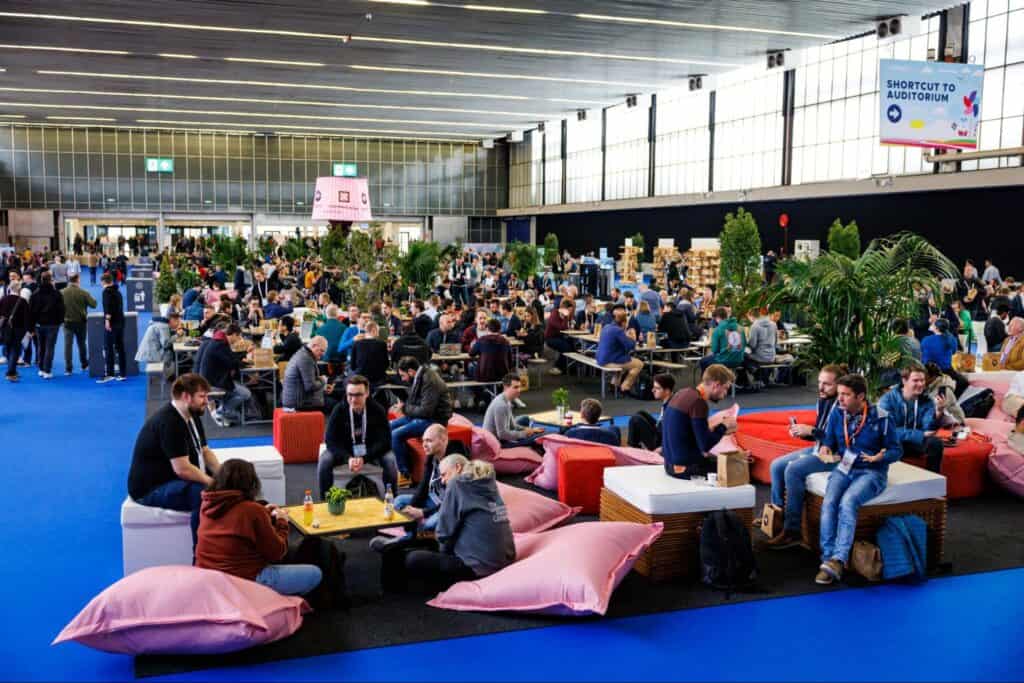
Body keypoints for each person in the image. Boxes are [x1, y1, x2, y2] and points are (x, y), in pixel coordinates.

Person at [814, 374, 902, 585]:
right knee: (829, 502)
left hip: (872, 472)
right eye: (840, 394)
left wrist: (882, 456)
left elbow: (896, 450)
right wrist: (826, 446)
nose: (840, 399)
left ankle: (838, 559)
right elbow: (829, 439)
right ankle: (827, 559)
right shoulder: (838, 412)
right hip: (844, 468)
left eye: (845, 395)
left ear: (861, 396)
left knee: (848, 502)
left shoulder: (882, 417)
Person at [196, 459, 321, 596]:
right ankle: (268, 601)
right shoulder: (252, 510)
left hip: (208, 578)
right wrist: (282, 521)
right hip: (244, 580)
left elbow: (234, 522)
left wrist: (264, 513)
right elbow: (278, 552)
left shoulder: (207, 504)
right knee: (314, 573)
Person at [127, 373, 222, 549]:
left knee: (235, 476)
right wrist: (214, 483)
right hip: (150, 488)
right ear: (186, 396)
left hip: (174, 475)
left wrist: (223, 475)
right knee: (203, 495)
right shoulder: (170, 422)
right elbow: (182, 470)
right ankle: (201, 553)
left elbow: (205, 452)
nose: (206, 401)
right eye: (202, 396)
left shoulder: (192, 415)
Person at [393, 456, 515, 592]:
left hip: (478, 568)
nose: (443, 481)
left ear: (457, 468)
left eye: (444, 475)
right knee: (429, 540)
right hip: (505, 560)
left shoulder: (457, 484)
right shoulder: (488, 485)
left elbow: (443, 533)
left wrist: (441, 553)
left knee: (413, 558)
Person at [765, 365, 843, 549]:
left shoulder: (843, 404)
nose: (821, 388)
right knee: (776, 465)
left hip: (836, 455)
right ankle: (777, 516)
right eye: (819, 383)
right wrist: (804, 433)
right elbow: (822, 434)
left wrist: (813, 431)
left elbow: (841, 441)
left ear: (839, 385)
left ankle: (792, 531)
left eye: (827, 384)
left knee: (793, 470)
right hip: (820, 448)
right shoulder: (824, 400)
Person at [320, 374, 397, 498]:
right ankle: (324, 501)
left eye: (358, 395)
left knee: (390, 460)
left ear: (367, 393)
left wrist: (365, 458)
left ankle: (393, 499)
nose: (353, 399)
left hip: (371, 451)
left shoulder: (377, 410)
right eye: (350, 395)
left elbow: (385, 441)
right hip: (346, 451)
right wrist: (348, 458)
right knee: (325, 461)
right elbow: (331, 441)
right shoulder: (339, 410)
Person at [662, 364, 737, 479]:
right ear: (716, 385)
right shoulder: (698, 402)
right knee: (737, 465)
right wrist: (724, 426)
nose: (725, 393)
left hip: (669, 464)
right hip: (686, 468)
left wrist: (714, 429)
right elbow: (705, 445)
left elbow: (687, 431)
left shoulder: (682, 393)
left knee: (718, 458)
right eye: (726, 388)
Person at [390, 357, 453, 485]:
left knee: (395, 435)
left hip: (435, 420)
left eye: (403, 376)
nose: (402, 379)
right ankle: (396, 463)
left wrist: (405, 408)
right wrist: (404, 405)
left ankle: (404, 473)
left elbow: (426, 411)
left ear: (411, 372)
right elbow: (415, 403)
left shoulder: (429, 380)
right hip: (422, 416)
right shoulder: (420, 376)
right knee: (388, 427)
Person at [878, 363, 943, 473]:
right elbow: (888, 431)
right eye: (916, 380)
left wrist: (938, 413)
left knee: (935, 443)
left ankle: (933, 480)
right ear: (904, 381)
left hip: (913, 441)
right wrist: (920, 434)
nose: (921, 384)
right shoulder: (887, 400)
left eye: (922, 380)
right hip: (893, 441)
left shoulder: (927, 401)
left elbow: (928, 429)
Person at [198, 323, 252, 427]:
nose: (238, 340)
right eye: (238, 337)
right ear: (234, 335)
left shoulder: (219, 341)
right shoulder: (220, 345)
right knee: (246, 394)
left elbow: (230, 358)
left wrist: (244, 354)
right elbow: (230, 363)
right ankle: (223, 410)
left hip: (212, 379)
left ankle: (226, 411)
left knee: (240, 389)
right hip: (213, 383)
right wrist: (246, 362)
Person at [482, 373, 545, 448]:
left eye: (519, 387)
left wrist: (530, 430)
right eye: (515, 387)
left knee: (525, 418)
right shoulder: (501, 405)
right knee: (539, 437)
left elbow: (512, 425)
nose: (519, 390)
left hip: (501, 435)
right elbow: (502, 435)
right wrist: (524, 433)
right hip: (496, 443)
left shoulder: (506, 399)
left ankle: (525, 441)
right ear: (505, 387)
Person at [596, 308, 643, 393]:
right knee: (639, 364)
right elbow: (630, 346)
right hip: (609, 361)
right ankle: (625, 387)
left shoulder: (607, 326)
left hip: (600, 358)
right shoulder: (618, 330)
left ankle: (614, 385)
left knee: (624, 364)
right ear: (624, 322)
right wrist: (633, 338)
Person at [29, 271, 64, 379]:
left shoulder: (35, 294)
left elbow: (31, 312)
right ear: (50, 280)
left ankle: (41, 368)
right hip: (53, 325)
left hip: (39, 325)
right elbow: (61, 309)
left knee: (41, 346)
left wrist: (31, 326)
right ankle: (47, 370)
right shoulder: (57, 293)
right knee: (49, 347)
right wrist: (60, 321)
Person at [627, 373, 676, 450]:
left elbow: (674, 433)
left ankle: (632, 449)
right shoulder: (670, 399)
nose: (653, 390)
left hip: (661, 443)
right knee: (641, 413)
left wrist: (662, 448)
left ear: (667, 391)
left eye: (657, 388)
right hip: (660, 431)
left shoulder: (672, 409)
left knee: (635, 420)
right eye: (654, 387)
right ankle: (635, 447)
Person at [60, 273, 96, 376]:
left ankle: (68, 369)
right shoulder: (83, 292)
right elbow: (94, 304)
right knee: (82, 344)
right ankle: (84, 364)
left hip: (67, 322)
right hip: (81, 322)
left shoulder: (61, 292)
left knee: (68, 346)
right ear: (78, 280)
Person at [282, 335, 329, 413]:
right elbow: (310, 386)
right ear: (314, 346)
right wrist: (323, 380)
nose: (323, 354)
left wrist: (322, 386)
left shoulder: (303, 354)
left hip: (294, 400)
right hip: (298, 404)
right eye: (322, 350)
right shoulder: (306, 359)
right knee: (335, 405)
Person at [98, 272, 127, 383]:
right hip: (120, 322)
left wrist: (107, 321)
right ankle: (123, 373)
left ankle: (109, 373)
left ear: (103, 282)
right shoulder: (118, 291)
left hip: (112, 323)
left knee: (108, 348)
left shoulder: (106, 292)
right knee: (120, 348)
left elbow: (108, 307)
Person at [0, 279, 31, 382]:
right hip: (19, 329)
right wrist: (28, 331)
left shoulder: (3, 299)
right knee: (15, 349)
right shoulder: (22, 301)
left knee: (8, 348)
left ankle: (11, 368)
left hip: (5, 328)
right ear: (19, 289)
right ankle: (11, 372)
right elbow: (27, 318)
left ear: (10, 288)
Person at [136, 312, 181, 378]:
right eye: (178, 322)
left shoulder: (160, 324)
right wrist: (177, 335)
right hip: (152, 354)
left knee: (173, 352)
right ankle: (172, 375)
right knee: (172, 353)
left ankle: (173, 373)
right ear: (172, 320)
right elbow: (166, 344)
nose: (178, 324)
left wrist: (174, 333)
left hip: (149, 351)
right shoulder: (164, 326)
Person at [469, 318, 512, 383]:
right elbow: (510, 360)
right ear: (499, 329)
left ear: (487, 329)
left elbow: (471, 353)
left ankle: (479, 392)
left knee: (471, 366)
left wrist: (473, 345)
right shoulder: (505, 341)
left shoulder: (482, 340)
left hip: (484, 376)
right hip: (503, 375)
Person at [350, 320, 390, 386]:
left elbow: (352, 366)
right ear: (373, 330)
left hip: (360, 377)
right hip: (377, 378)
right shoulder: (382, 344)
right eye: (378, 331)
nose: (378, 333)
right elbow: (386, 364)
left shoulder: (356, 343)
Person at [544, 299, 575, 376]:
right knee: (566, 347)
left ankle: (571, 368)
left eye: (571, 310)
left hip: (559, 337)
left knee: (572, 344)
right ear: (564, 309)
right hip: (550, 338)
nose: (570, 312)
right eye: (569, 310)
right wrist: (565, 317)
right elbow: (562, 327)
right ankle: (558, 367)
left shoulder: (566, 315)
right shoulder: (555, 314)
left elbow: (568, 327)